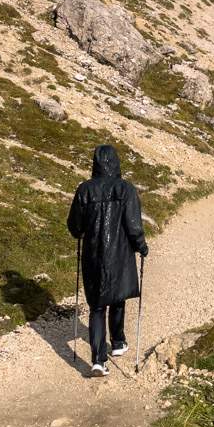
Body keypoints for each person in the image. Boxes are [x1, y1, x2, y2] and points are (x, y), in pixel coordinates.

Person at [67, 144, 148, 378]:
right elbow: (134, 226)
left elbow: (75, 226)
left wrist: (82, 231)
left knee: (97, 305)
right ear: (116, 162)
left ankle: (98, 361)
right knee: (118, 296)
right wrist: (141, 247)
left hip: (93, 255)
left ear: (95, 164)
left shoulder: (85, 190)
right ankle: (118, 342)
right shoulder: (125, 189)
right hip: (120, 253)